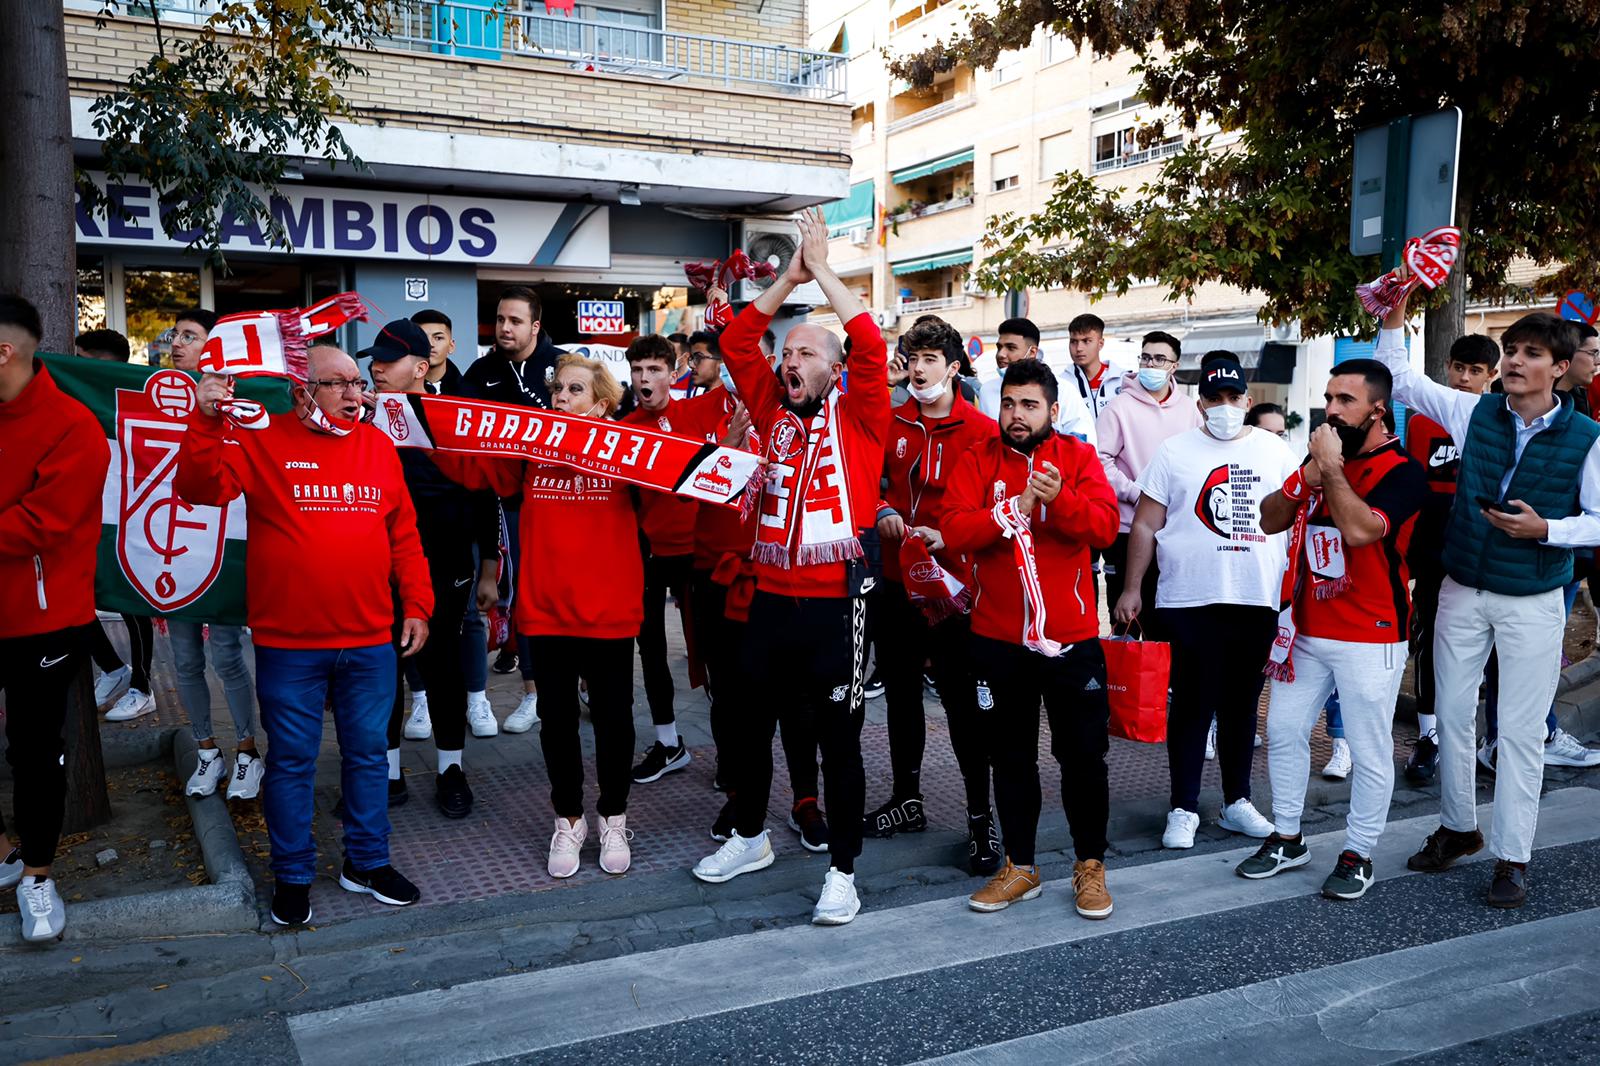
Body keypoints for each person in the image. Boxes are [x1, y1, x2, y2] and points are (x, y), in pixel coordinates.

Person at [178, 344, 433, 926]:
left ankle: (366, 862)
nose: (354, 393)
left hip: (370, 639)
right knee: (292, 762)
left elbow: (404, 536)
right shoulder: (262, 441)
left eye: (357, 383)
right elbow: (199, 489)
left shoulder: (377, 445)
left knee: (370, 756)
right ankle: (292, 875)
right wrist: (205, 419)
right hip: (289, 643)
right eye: (338, 383)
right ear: (302, 392)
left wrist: (417, 603)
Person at [690, 208, 890, 927]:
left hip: (837, 605)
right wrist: (788, 281)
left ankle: (842, 870)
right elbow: (738, 336)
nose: (789, 362)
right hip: (766, 599)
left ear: (833, 370)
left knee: (838, 740)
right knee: (743, 728)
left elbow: (868, 338)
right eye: (788, 355)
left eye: (805, 354)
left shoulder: (865, 414)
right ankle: (750, 837)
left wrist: (826, 273)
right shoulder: (770, 402)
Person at [1377, 280, 1600, 909]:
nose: (1513, 361)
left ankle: (1513, 856)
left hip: (1531, 595)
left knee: (1522, 731)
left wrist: (1547, 530)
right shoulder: (1475, 412)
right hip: (1462, 587)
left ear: (1559, 369)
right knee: (1450, 717)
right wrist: (1397, 307)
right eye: (1511, 350)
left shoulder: (1586, 438)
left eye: (1530, 353)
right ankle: (1458, 828)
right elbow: (1400, 378)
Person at [433, 355, 642, 879]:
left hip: (610, 612)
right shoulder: (532, 449)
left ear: (601, 404)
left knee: (615, 722)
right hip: (547, 613)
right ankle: (568, 819)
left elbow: (672, 503)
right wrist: (429, 417)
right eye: (556, 390)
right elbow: (473, 468)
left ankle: (613, 816)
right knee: (558, 724)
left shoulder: (629, 451)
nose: (560, 398)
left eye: (575, 390)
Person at [1238, 361, 1426, 899]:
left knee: (1368, 748)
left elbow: (1362, 530)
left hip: (1371, 631)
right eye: (1328, 397)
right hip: (1307, 626)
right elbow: (1269, 519)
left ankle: (1358, 851)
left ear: (1377, 409)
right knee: (1283, 732)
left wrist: (1332, 471)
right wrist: (1305, 478)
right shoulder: (1320, 459)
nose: (1332, 409)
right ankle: (1288, 836)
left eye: (1346, 400)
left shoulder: (1402, 471)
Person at [942, 358, 1121, 916]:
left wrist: (1058, 500)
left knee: (1084, 758)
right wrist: (1011, 510)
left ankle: (1089, 866)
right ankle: (1020, 866)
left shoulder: (1078, 456)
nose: (1016, 415)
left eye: (1029, 405)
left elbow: (1105, 528)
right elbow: (954, 530)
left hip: (1071, 640)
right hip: (997, 640)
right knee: (1010, 758)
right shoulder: (977, 457)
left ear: (1053, 410)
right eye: (1009, 403)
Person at [1115, 356, 1297, 849]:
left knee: (1241, 705)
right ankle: (1183, 808)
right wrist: (1132, 587)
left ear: (1247, 401)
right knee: (1193, 705)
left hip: (1256, 598)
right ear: (1200, 406)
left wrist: (1293, 591)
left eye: (1232, 398)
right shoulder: (1175, 451)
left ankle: (1238, 801)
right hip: (1187, 598)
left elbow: (1297, 521)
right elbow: (1147, 524)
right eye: (1213, 400)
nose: (1224, 408)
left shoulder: (1277, 452)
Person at [867, 316, 1000, 872]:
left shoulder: (984, 430)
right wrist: (885, 512)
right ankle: (907, 799)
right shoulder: (889, 419)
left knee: (964, 705)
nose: (919, 370)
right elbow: (863, 484)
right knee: (899, 694)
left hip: (957, 592)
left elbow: (999, 512)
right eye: (912, 359)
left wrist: (952, 534)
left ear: (953, 366)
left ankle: (979, 819)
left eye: (930, 359)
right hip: (897, 583)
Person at [0, 294, 111, 942]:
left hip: (43, 620)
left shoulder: (73, 426)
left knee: (36, 754)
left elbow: (47, 522)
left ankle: (39, 876)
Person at [366, 320, 500, 817]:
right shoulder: (361, 419)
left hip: (446, 560)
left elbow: (486, 492)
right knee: (381, 668)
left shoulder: (457, 417)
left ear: (421, 368)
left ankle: (451, 769)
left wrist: (489, 565)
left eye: (388, 359)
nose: (376, 367)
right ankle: (389, 774)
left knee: (443, 665)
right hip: (378, 567)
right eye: (373, 358)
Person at [162, 308, 264, 798]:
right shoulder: (151, 397)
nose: (178, 343)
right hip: (169, 547)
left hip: (222, 545)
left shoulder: (242, 401)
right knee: (182, 658)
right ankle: (207, 750)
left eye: (190, 336)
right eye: (175, 335)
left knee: (225, 655)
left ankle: (247, 750)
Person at [619, 334, 721, 782]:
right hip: (648, 553)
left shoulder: (696, 411)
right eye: (638, 370)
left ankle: (730, 753)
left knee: (713, 654)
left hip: (699, 551)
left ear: (673, 371)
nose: (645, 379)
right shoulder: (624, 426)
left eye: (654, 370)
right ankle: (668, 743)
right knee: (652, 651)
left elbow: (745, 382)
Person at [1402, 332, 1499, 784]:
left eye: (1475, 371)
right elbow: (1415, 484)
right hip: (1431, 542)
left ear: (1491, 376)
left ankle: (1493, 738)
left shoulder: (1500, 418)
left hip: (1483, 542)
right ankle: (1428, 736)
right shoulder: (1422, 418)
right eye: (1458, 368)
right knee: (1428, 637)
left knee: (1492, 644)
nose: (1463, 378)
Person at [462, 286, 561, 719]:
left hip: (562, 503)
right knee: (521, 595)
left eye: (515, 320)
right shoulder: (481, 371)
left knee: (557, 596)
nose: (504, 327)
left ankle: (566, 684)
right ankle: (532, 690)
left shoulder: (564, 367)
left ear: (535, 326)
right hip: (506, 503)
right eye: (501, 319)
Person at [402, 308, 501, 739]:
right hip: (412, 532)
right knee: (413, 615)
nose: (431, 344)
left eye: (438, 336)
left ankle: (477, 697)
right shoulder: (392, 402)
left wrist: (491, 560)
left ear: (451, 344)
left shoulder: (472, 393)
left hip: (463, 528)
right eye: (421, 338)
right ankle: (421, 699)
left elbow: (486, 483)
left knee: (470, 620)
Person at [1097, 330, 1201, 618]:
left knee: (1166, 615)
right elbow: (1101, 461)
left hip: (1174, 529)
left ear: (1174, 366)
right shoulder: (1118, 408)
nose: (1150, 365)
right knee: (1126, 617)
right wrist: (1136, 493)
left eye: (1159, 359)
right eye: (1145, 357)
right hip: (1128, 527)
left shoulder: (1190, 410)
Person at [976, 317, 1096, 444]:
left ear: (1032, 352)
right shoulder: (987, 391)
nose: (1001, 354)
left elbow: (1082, 439)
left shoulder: (1063, 389)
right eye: (999, 347)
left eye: (1010, 348)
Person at [1066, 313, 1125, 419]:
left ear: (1100, 344)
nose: (1079, 348)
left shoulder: (1123, 380)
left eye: (1086, 341)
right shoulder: (1061, 383)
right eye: (1073, 341)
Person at [409, 308, 466, 395]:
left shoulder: (469, 391)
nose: (430, 344)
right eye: (423, 337)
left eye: (438, 338)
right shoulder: (394, 387)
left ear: (451, 346)